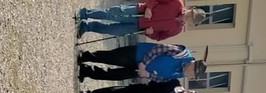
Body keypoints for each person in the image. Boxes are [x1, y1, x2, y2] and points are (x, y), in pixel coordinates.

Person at [78, 42, 205, 82]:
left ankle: (86, 71)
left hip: (141, 71)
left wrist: (148, 75)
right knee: (110, 57)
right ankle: (86, 56)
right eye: (191, 75)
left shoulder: (181, 74)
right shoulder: (182, 53)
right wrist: (144, 63)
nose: (189, 77)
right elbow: (158, 49)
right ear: (193, 65)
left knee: (112, 75)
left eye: (191, 77)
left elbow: (163, 79)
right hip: (138, 54)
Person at [77, 4, 206, 41]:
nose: (188, 16)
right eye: (191, 13)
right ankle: (85, 13)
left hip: (139, 27)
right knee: (111, 13)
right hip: (139, 11)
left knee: (113, 30)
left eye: (191, 18)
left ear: (191, 23)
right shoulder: (177, 3)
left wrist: (150, 33)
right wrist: (149, 7)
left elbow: (160, 37)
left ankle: (87, 26)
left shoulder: (177, 30)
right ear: (191, 9)